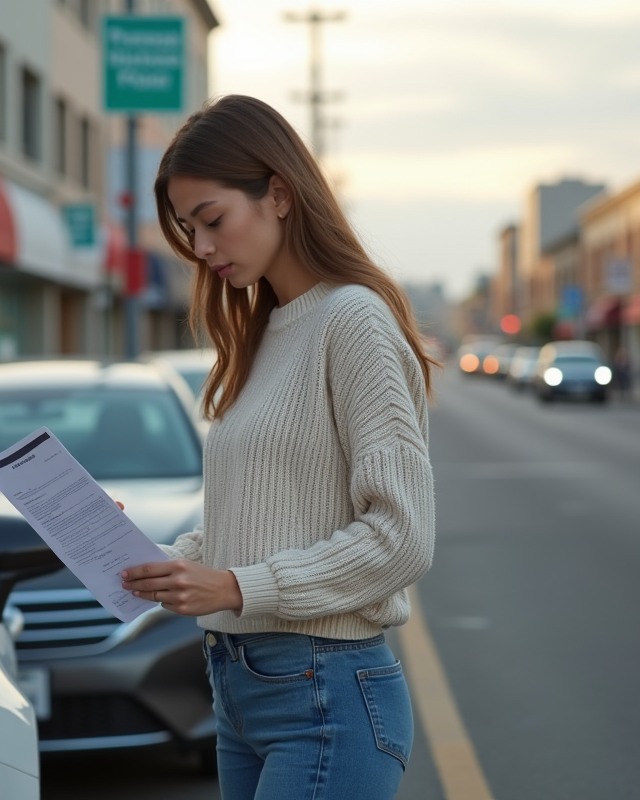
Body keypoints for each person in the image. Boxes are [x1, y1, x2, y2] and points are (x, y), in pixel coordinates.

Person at [119, 95, 438, 800]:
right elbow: (260, 516)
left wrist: (235, 587)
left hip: (324, 693)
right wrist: (161, 563)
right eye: (186, 229)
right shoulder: (263, 334)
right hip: (239, 686)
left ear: (280, 195)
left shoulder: (352, 320)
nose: (201, 248)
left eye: (211, 221)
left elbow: (402, 538)